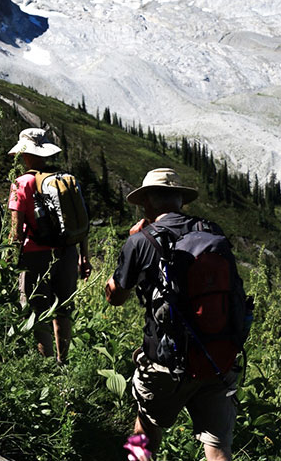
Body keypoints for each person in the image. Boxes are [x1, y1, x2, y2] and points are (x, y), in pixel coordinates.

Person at [104, 168, 244, 461]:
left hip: (165, 363)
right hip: (216, 356)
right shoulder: (212, 232)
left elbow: (116, 296)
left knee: (143, 430)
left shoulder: (141, 240)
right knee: (218, 449)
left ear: (147, 203)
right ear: (181, 200)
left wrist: (133, 243)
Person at [7, 128, 91, 364]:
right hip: (67, 252)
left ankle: (45, 369)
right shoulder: (65, 181)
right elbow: (80, 223)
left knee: (38, 310)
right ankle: (62, 361)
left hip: (35, 255)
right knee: (63, 308)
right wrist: (84, 257)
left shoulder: (21, 183)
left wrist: (9, 261)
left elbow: (15, 231)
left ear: (24, 155)